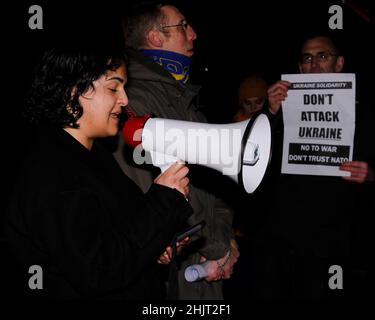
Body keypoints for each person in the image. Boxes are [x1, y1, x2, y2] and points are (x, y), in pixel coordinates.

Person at [3, 44, 193, 299]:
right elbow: (99, 270)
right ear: (74, 90)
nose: (124, 99)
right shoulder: (51, 171)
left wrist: (155, 245)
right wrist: (164, 198)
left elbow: (121, 236)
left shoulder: (92, 156)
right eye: (113, 87)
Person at [113, 1, 239, 299]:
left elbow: (216, 187)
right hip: (172, 274)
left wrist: (226, 239)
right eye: (183, 26)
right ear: (156, 38)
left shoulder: (184, 102)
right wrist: (219, 246)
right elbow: (159, 192)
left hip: (203, 263)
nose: (193, 34)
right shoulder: (134, 104)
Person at [248, 33, 374, 300]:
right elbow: (251, 154)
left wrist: (370, 175)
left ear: (339, 64)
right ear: (299, 66)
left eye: (322, 56)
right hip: (281, 238)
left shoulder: (361, 111)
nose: (314, 64)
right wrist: (269, 113)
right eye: (307, 58)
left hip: (331, 241)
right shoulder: (280, 105)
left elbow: (373, 168)